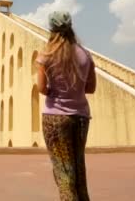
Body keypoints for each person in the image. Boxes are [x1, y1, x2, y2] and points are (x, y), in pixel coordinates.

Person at [35, 11, 96, 201]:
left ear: (51, 28)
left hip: (55, 118)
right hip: (81, 117)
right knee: (78, 171)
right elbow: (91, 88)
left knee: (64, 174)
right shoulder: (85, 55)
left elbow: (41, 88)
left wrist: (56, 91)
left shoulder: (46, 54)